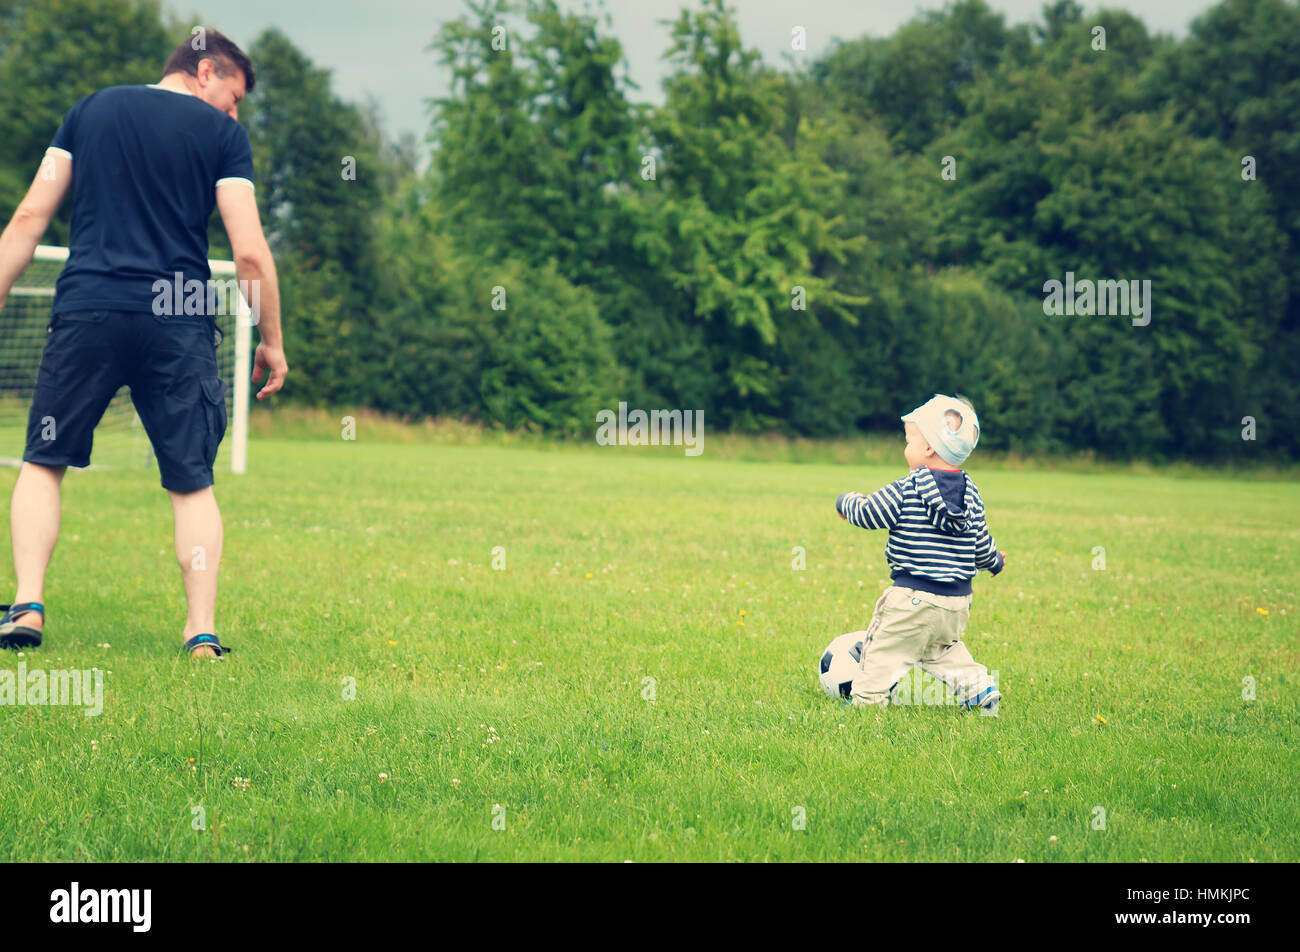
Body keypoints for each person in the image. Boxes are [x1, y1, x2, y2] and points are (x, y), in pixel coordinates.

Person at [0, 28, 287, 659]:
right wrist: (271, 338)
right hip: (178, 318)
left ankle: (27, 605)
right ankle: (201, 634)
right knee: (192, 481)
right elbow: (247, 253)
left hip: (89, 310)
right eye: (234, 97)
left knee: (44, 462)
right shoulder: (223, 139)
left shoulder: (89, 111)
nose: (235, 113)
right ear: (205, 70)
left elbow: (27, 219)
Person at [835, 394, 1006, 712]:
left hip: (912, 598)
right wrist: (994, 561)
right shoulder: (972, 495)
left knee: (882, 650)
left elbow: (869, 513)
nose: (906, 448)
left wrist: (846, 502)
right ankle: (980, 690)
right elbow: (981, 545)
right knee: (943, 651)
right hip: (956, 604)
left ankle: (867, 703)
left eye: (908, 439)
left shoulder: (907, 488)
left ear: (928, 448)